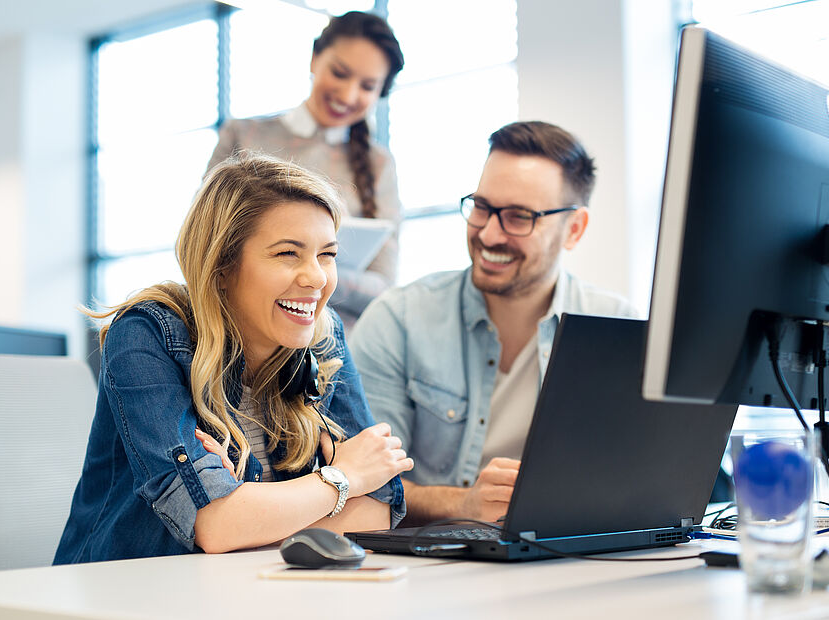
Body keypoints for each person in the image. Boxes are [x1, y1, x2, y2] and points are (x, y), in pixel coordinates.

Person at [54, 153, 412, 564]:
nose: (316, 277)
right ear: (222, 265)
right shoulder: (146, 333)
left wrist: (249, 507)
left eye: (326, 255)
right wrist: (341, 477)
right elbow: (217, 526)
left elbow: (377, 511)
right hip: (120, 592)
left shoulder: (321, 338)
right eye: (287, 254)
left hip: (245, 592)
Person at [349, 121, 638, 526]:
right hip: (432, 569)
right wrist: (463, 504)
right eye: (482, 207)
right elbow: (364, 485)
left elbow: (644, 483)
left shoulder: (621, 330)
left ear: (574, 229)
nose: (488, 233)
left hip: (572, 561)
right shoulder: (397, 320)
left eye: (519, 217)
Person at [206, 11, 404, 327]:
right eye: (340, 73)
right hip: (240, 333)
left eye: (367, 86)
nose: (349, 94)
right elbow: (204, 245)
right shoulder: (243, 137)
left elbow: (383, 286)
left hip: (335, 349)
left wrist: (303, 270)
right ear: (314, 59)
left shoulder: (379, 166)